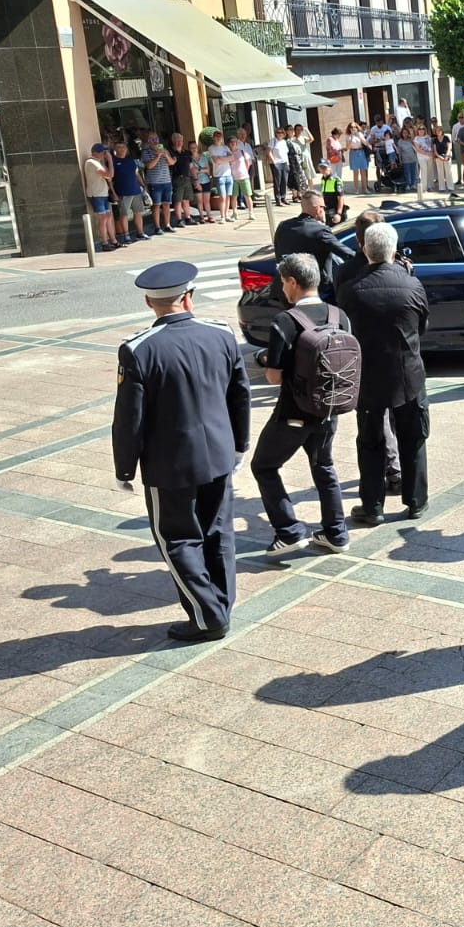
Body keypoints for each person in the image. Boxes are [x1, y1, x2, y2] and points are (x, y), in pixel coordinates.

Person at [112, 261, 251, 643]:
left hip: (168, 464)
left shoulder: (138, 350)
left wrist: (125, 468)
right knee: (217, 533)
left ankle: (208, 616)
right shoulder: (221, 335)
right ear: (189, 297)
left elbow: (129, 420)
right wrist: (239, 444)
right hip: (220, 454)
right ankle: (220, 605)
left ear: (148, 302)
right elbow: (240, 394)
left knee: (177, 539)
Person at [251, 253, 353, 558]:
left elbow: (272, 377)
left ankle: (289, 531)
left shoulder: (285, 321)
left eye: (283, 281)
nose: (282, 288)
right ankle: (336, 533)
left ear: (293, 282)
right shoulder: (339, 316)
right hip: (329, 409)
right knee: (323, 466)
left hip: (294, 413)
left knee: (264, 466)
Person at [337, 222, 429, 525]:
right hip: (408, 374)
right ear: (393, 250)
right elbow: (422, 327)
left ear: (364, 249)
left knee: (371, 441)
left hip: (368, 377)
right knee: (412, 438)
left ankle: (373, 506)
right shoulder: (412, 285)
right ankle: (416, 501)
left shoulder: (350, 290)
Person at [274, 189, 351, 284]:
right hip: (317, 289)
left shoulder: (283, 226)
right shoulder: (320, 231)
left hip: (288, 288)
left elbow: (278, 254)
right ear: (318, 209)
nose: (324, 211)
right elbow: (347, 254)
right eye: (323, 207)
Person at [82, 143, 119, 252]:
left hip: (103, 193)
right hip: (96, 194)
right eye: (103, 152)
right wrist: (110, 160)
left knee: (108, 217)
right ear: (95, 153)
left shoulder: (98, 163)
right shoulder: (92, 162)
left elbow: (109, 177)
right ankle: (104, 242)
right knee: (102, 219)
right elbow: (109, 175)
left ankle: (113, 240)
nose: (105, 154)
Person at [111, 139, 149, 243]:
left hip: (136, 190)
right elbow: (110, 180)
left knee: (138, 213)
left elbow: (137, 174)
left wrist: (143, 185)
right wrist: (114, 193)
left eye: (123, 147)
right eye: (119, 147)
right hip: (123, 193)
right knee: (124, 215)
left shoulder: (131, 161)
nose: (121, 149)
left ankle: (140, 233)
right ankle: (126, 235)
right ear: (115, 149)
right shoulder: (113, 162)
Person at [141, 133, 173, 234]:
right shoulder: (146, 152)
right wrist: (158, 155)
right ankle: (157, 227)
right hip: (154, 182)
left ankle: (167, 225)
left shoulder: (165, 150)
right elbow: (149, 166)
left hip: (166, 181)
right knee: (156, 205)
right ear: (148, 141)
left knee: (167, 204)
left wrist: (165, 155)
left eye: (156, 138)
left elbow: (171, 162)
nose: (155, 140)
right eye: (152, 139)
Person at [168, 133, 195, 227]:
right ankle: (179, 220)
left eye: (181, 141)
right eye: (177, 141)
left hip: (187, 178)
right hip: (176, 178)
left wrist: (195, 179)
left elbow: (191, 167)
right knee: (178, 200)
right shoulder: (170, 152)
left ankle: (188, 217)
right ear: (173, 141)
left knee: (186, 200)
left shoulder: (187, 153)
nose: (179, 142)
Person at [230, 128, 256, 220]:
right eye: (231, 142)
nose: (233, 144)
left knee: (248, 195)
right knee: (234, 196)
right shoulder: (228, 153)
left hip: (244, 176)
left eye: (234, 142)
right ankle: (234, 213)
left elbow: (248, 162)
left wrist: (244, 171)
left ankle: (251, 213)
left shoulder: (242, 151)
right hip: (233, 178)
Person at [429, 122, 452, 192]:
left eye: (439, 130)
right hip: (438, 157)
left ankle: (450, 187)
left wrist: (446, 155)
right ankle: (442, 188)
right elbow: (435, 150)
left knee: (448, 172)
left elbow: (449, 147)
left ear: (442, 131)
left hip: (446, 156)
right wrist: (439, 157)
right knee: (440, 172)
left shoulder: (446, 138)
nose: (438, 132)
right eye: (437, 131)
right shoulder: (435, 140)